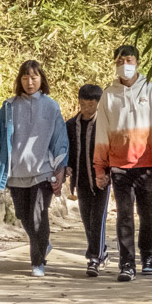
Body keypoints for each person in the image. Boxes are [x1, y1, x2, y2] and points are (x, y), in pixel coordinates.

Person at [94, 44, 152, 282]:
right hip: (119, 166)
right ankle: (127, 264)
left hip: (148, 165)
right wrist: (100, 166)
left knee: (148, 215)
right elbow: (102, 132)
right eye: (119, 61)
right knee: (124, 216)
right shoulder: (109, 95)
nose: (124, 65)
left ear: (137, 62)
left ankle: (147, 257)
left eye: (128, 60)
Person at [0, 60, 69, 277]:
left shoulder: (51, 106)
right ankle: (42, 243)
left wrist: (60, 167)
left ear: (42, 79)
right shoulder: (9, 106)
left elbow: (60, 139)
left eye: (34, 77)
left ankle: (37, 262)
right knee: (23, 216)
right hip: (16, 172)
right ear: (19, 80)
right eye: (25, 78)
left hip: (43, 171)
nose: (29, 82)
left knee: (38, 216)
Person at [63, 83, 112, 277]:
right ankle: (102, 252)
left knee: (98, 219)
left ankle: (94, 258)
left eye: (91, 105)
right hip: (81, 180)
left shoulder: (105, 124)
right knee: (87, 219)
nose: (86, 108)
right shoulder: (70, 125)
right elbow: (66, 151)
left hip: (101, 180)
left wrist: (109, 174)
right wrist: (66, 167)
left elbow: (112, 151)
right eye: (83, 104)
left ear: (98, 104)